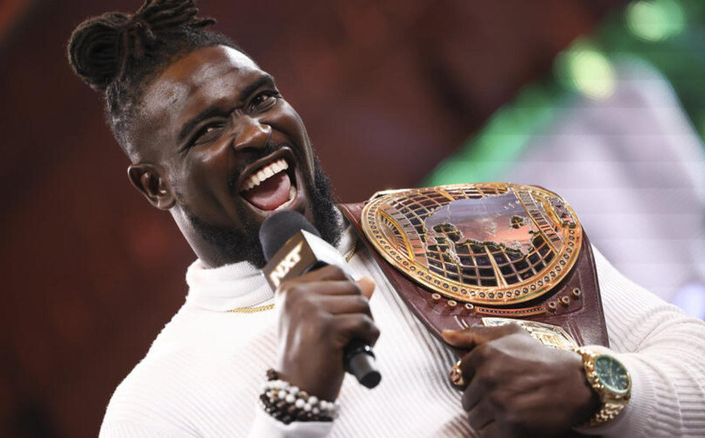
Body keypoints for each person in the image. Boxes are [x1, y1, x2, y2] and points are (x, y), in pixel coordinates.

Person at [67, 1, 705, 436]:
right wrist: (296, 405)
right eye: (209, 129)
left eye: (261, 98)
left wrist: (595, 388)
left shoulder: (469, 221)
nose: (256, 133)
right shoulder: (153, 405)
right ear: (155, 186)